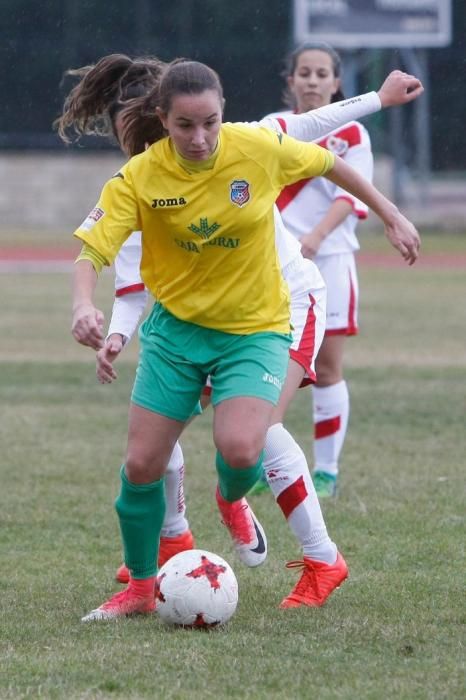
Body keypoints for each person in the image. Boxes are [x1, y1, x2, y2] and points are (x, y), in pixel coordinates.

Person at [67, 58, 420, 621]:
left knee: (240, 451)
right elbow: (96, 252)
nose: (200, 138)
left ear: (224, 112)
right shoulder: (139, 178)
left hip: (254, 328)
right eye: (185, 126)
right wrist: (88, 309)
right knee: (140, 465)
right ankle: (141, 582)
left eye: (210, 122)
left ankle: (237, 506)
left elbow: (330, 161)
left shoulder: (254, 145)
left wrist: (392, 215)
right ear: (164, 120)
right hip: (177, 336)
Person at [264, 41, 416, 498]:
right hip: (273, 263)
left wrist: (313, 239)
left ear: (336, 83)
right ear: (290, 81)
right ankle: (260, 461)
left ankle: (326, 471)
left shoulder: (353, 134)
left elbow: (353, 196)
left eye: (321, 73)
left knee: (327, 368)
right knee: (266, 364)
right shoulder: (274, 129)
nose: (312, 80)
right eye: (303, 73)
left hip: (330, 261)